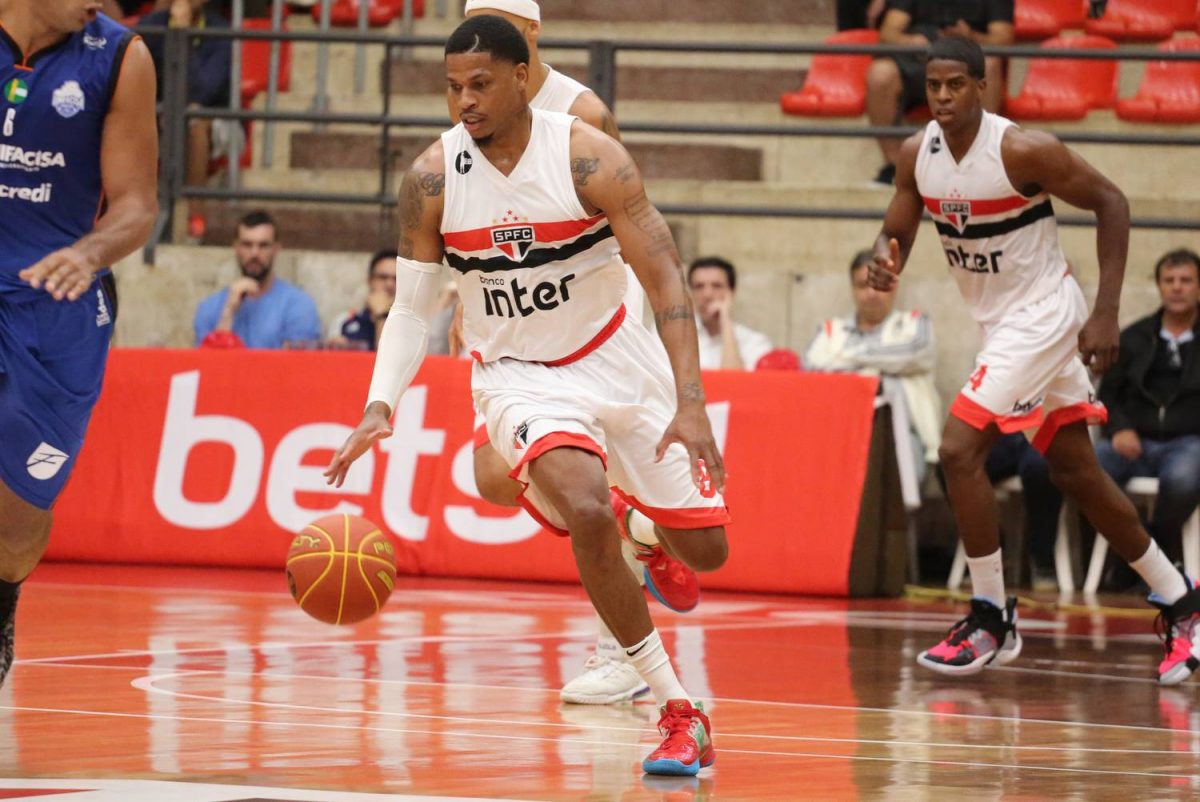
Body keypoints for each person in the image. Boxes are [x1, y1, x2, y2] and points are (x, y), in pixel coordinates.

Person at [325, 15, 729, 775]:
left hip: (618, 356)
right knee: (583, 507)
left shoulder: (587, 156)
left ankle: (644, 527)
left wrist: (691, 400)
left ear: (522, 77)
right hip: (519, 374)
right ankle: (680, 710)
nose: (465, 102)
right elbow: (410, 309)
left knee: (708, 550)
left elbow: (666, 277)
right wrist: (380, 405)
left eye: (480, 84)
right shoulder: (432, 178)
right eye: (453, 88)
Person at [869, 35, 1200, 685]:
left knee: (958, 450)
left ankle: (991, 616)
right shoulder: (917, 154)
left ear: (982, 86)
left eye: (955, 85)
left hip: (1044, 315)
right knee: (1077, 471)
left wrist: (1105, 312)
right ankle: (1183, 601)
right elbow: (897, 225)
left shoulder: (1021, 149)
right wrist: (887, 257)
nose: (942, 97)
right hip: (1001, 324)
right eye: (933, 86)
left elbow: (1112, 202)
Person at [451, 0, 702, 708]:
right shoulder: (473, 108)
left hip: (593, 318)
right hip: (515, 323)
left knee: (591, 488)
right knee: (493, 477)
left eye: (496, 24)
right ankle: (641, 528)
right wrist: (464, 293)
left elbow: (623, 229)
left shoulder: (581, 113)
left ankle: (620, 656)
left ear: (530, 36)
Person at [0, 1, 158, 687]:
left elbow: (137, 205)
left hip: (56, 301)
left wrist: (89, 253)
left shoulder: (121, 57)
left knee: (18, 521)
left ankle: (4, 596)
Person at [1095, 248, 1200, 565]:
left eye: (1186, 280)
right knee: (1089, 467)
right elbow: (1107, 395)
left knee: (1184, 479)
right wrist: (1119, 428)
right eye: (1169, 280)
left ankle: (1153, 551)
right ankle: (1133, 550)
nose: (1177, 287)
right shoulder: (1133, 337)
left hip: (1189, 444)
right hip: (1134, 442)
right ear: (1159, 286)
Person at [804, 248, 940, 482]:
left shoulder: (914, 324)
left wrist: (847, 358)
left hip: (903, 436)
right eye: (863, 285)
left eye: (879, 285)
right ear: (852, 288)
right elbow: (812, 369)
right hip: (840, 436)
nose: (871, 293)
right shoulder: (831, 331)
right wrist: (885, 367)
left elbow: (917, 353)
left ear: (893, 286)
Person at [866, 0, 1013, 187]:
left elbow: (1004, 38)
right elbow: (888, 32)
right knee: (880, 74)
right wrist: (911, 41)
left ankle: (982, 160)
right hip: (918, 60)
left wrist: (970, 36)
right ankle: (895, 166)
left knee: (989, 63)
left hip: (967, 59)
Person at [141, 0, 234, 240]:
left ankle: (195, 216)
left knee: (194, 118)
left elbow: (204, 90)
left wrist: (181, 35)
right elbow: (138, 78)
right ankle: (135, 213)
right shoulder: (151, 26)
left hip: (213, 117)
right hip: (160, 112)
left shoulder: (221, 31)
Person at [193, 210, 322, 349]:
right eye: (247, 245)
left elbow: (299, 360)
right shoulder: (210, 307)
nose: (254, 253)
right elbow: (207, 361)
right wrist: (228, 312)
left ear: (276, 249)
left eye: (263, 245)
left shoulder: (298, 305)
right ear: (236, 248)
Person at [984, 432, 1062, 590]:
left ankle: (1043, 561)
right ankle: (989, 550)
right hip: (998, 435)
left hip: (1041, 432)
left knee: (1041, 467)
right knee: (953, 460)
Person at [688, 256, 773, 371]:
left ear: (732, 291)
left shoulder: (754, 342)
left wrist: (726, 321)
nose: (707, 294)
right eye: (699, 287)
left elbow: (734, 380)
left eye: (716, 286)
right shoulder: (675, 340)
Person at [326, 249, 398, 351]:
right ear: (370, 281)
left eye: (396, 279)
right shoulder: (344, 321)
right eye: (383, 277)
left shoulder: (412, 326)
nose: (389, 284)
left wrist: (382, 316)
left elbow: (388, 357)